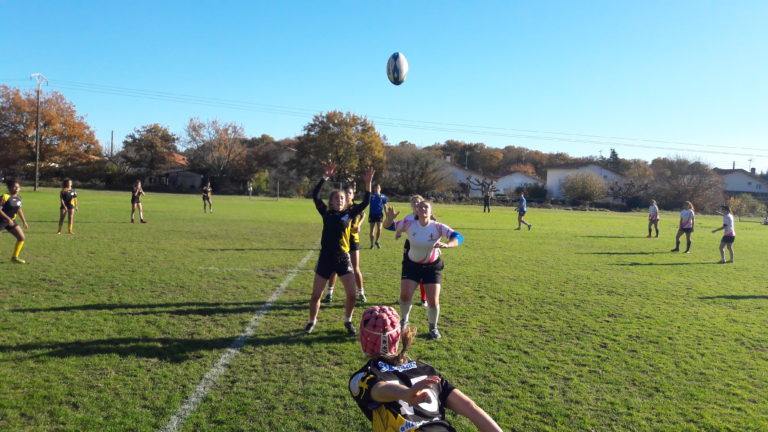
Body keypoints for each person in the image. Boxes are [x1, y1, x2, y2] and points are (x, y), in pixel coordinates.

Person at [349, 305, 504, 432]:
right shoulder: (426, 370)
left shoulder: (361, 376)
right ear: (398, 337)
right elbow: (471, 408)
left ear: (363, 338)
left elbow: (378, 389)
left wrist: (404, 394)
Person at [306, 163, 374, 335]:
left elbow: (366, 202)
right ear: (331, 201)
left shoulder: (349, 213)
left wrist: (368, 184)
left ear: (346, 201)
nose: (339, 200)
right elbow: (315, 195)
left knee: (351, 295)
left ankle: (348, 321)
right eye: (336, 198)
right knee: (316, 296)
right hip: (325, 258)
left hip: (343, 257)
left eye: (342, 199)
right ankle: (311, 321)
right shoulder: (326, 213)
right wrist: (325, 177)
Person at [383, 200, 464, 340]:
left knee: (433, 300)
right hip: (411, 265)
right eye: (420, 207)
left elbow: (458, 237)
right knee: (405, 296)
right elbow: (388, 226)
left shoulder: (438, 227)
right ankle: (404, 321)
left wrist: (448, 244)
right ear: (416, 211)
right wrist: (389, 219)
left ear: (431, 211)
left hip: (432, 267)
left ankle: (433, 327)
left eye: (426, 207)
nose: (423, 209)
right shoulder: (409, 224)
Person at [325, 184, 367, 304]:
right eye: (346, 193)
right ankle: (329, 293)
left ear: (353, 195)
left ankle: (361, 292)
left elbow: (363, 214)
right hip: (341, 241)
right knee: (334, 268)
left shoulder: (355, 207)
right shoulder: (340, 208)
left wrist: (359, 225)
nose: (347, 195)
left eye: (350, 193)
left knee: (355, 268)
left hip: (353, 240)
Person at [396, 195, 429, 307]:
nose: (416, 204)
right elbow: (400, 227)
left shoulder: (427, 216)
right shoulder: (408, 218)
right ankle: (404, 297)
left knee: (423, 272)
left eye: (418, 202)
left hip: (423, 246)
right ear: (411, 205)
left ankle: (423, 299)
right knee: (407, 271)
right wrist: (398, 233)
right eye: (413, 202)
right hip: (409, 245)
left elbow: (434, 230)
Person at [0, 180, 30, 264]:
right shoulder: (4, 196)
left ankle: (14, 257)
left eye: (18, 187)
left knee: (21, 237)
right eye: (14, 187)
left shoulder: (19, 198)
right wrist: (8, 219)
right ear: (9, 188)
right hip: (1, 220)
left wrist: (24, 221)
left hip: (11, 221)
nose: (17, 189)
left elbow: (19, 209)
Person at [368, 184, 388, 249]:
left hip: (379, 214)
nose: (377, 189)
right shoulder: (371, 196)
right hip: (372, 214)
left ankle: (377, 241)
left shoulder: (383, 196)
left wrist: (387, 215)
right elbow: (366, 203)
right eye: (375, 188)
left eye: (378, 188)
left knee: (379, 229)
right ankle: (372, 244)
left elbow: (385, 206)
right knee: (372, 230)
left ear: (380, 188)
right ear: (374, 189)